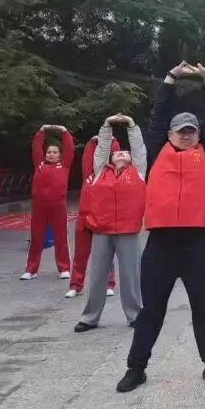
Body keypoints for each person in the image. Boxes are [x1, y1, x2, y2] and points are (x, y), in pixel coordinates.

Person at [117, 61, 205, 393]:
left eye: (191, 131)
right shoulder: (156, 152)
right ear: (170, 134)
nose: (187, 134)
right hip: (161, 243)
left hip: (196, 242)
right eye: (181, 131)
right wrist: (169, 80)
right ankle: (136, 368)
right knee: (152, 309)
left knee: (203, 305)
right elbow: (158, 116)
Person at [74, 115, 146, 332]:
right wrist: (107, 125)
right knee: (97, 275)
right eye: (117, 152)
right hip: (102, 230)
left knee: (131, 275)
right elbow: (102, 148)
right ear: (110, 158)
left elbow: (139, 148)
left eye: (125, 152)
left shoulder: (138, 172)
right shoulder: (100, 172)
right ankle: (90, 317)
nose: (122, 153)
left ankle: (135, 315)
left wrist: (131, 124)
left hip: (128, 231)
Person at [67, 134, 117, 298]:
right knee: (80, 254)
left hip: (103, 220)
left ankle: (109, 283)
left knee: (105, 254)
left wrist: (113, 140)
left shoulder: (113, 175)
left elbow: (116, 155)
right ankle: (76, 285)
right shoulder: (88, 174)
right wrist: (92, 141)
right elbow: (88, 157)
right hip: (84, 219)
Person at [23, 124, 75, 280]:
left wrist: (64, 131)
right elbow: (36, 148)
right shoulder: (39, 164)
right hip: (39, 205)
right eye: (49, 152)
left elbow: (70, 149)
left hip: (58, 205)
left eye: (55, 152)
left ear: (60, 155)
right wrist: (41, 131)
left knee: (61, 237)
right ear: (45, 154)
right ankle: (31, 269)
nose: (51, 154)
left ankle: (64, 268)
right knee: (36, 237)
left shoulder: (64, 165)